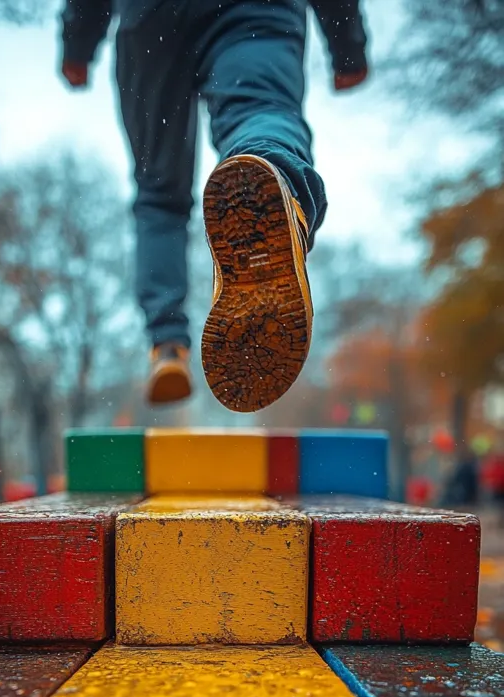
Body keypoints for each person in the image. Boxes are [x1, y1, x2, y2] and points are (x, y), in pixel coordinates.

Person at [60, 0, 369, 410]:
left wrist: (78, 41)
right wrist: (347, 43)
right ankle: (279, 190)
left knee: (159, 192)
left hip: (151, 17)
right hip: (257, 10)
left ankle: (167, 345)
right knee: (259, 110)